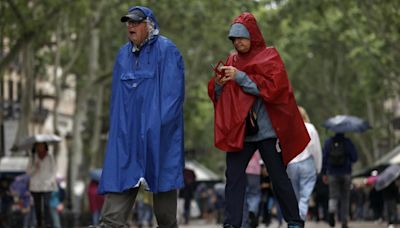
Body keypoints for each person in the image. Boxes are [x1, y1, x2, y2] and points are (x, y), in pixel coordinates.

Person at [207, 12, 310, 228]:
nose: (238, 42)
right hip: (240, 133)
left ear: (253, 35)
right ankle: (232, 224)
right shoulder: (232, 61)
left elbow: (274, 89)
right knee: (233, 178)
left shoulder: (270, 56)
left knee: (278, 177)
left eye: (242, 37)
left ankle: (294, 222)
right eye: (234, 39)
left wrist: (240, 77)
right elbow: (220, 96)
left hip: (267, 132)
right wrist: (218, 82)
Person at [96, 6, 185, 228]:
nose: (130, 26)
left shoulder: (167, 50)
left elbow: (173, 98)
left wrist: (155, 129)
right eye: (128, 23)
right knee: (111, 218)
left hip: (159, 138)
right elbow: (116, 100)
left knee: (165, 217)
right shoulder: (121, 56)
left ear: (149, 25)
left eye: (136, 22)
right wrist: (117, 134)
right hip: (127, 141)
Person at [286, 106, 322, 221]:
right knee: (305, 196)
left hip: (291, 164)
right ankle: (300, 218)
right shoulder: (310, 128)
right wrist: (318, 167)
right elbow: (316, 149)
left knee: (295, 195)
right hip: (307, 163)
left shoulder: (288, 129)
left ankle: (295, 219)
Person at [321, 132, 358, 228]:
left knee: (333, 196)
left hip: (332, 174)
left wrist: (324, 172)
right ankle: (344, 222)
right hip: (346, 173)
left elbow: (324, 158)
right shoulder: (347, 142)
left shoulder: (328, 142)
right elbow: (354, 157)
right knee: (345, 198)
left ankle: (331, 212)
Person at [26, 142, 58, 228]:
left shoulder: (50, 157)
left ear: (45, 146)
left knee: (46, 204)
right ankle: (39, 224)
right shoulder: (32, 157)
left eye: (41, 145)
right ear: (35, 147)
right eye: (38, 146)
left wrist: (51, 180)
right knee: (38, 206)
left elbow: (54, 170)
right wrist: (35, 168)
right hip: (35, 186)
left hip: (47, 185)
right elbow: (28, 172)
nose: (40, 147)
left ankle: (47, 223)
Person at [242, 150, 262, 228]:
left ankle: (244, 222)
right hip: (255, 170)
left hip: (244, 168)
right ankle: (252, 209)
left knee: (244, 195)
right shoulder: (258, 142)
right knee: (255, 193)